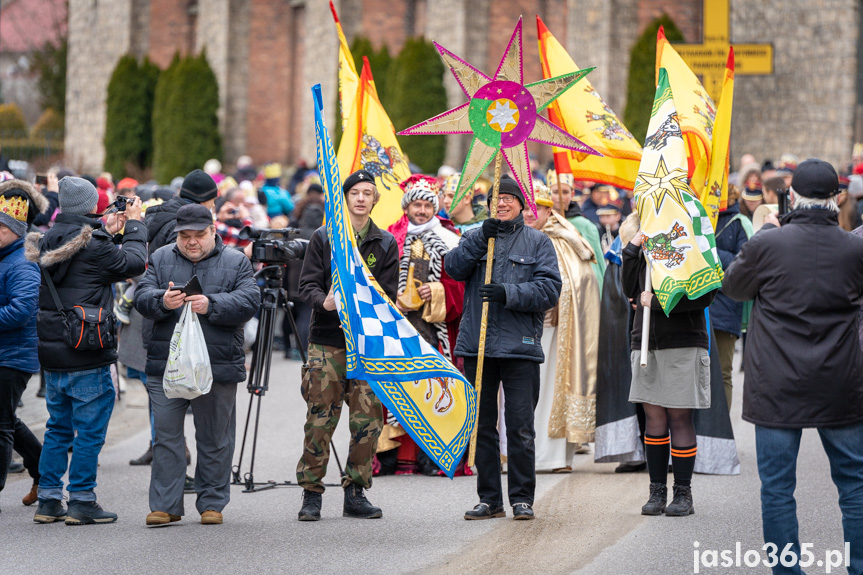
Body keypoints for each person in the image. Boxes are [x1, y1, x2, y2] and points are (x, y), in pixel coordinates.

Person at [723, 159, 863, 575]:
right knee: (855, 484)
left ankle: (787, 571)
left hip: (777, 383)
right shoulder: (854, 248)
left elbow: (734, 286)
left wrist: (766, 230)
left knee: (778, 489)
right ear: (836, 199)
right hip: (840, 380)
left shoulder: (769, 244)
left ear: (793, 197)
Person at [25, 176, 147, 525]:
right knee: (90, 431)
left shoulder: (49, 237)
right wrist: (135, 226)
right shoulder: (95, 245)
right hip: (87, 350)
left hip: (53, 352)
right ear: (93, 204)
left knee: (57, 428)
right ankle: (81, 499)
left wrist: (112, 230)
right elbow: (134, 264)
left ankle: (48, 500)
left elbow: (93, 262)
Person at [135, 203, 259, 526]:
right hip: (166, 365)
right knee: (165, 435)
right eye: (185, 236)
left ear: (213, 231)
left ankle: (212, 503)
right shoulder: (161, 257)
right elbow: (141, 296)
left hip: (217, 365)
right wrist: (161, 301)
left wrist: (212, 303)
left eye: (199, 235)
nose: (191, 242)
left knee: (215, 437)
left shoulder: (235, 261)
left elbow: (250, 300)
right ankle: (165, 505)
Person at [445, 175, 562, 521]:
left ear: (522, 204)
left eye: (510, 198)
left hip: (519, 346)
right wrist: (481, 237)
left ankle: (522, 497)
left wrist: (509, 294)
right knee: (482, 425)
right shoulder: (475, 237)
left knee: (520, 425)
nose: (503, 204)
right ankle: (490, 499)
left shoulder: (538, 242)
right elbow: (453, 267)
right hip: (477, 347)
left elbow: (549, 291)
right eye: (497, 198)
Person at [295, 169, 398, 521]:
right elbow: (305, 285)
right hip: (327, 342)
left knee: (368, 422)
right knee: (320, 420)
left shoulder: (384, 244)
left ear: (374, 200)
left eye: (367, 193)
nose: (360, 198)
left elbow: (389, 296)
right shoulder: (325, 238)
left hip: (368, 345)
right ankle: (311, 493)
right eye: (354, 192)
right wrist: (324, 302)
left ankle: (356, 490)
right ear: (345, 197)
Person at [621, 215, 716, 518]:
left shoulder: (695, 241)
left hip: (683, 340)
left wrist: (658, 302)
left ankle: (683, 492)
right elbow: (629, 288)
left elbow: (705, 295)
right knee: (654, 417)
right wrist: (633, 248)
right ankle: (656, 490)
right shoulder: (648, 238)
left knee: (679, 416)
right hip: (646, 339)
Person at [387, 174, 464, 476]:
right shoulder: (391, 238)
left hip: (433, 328)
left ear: (434, 208)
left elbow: (460, 285)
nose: (421, 210)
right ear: (407, 207)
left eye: (426, 205)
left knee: (432, 389)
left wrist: (438, 292)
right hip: (397, 325)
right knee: (398, 387)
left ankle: (431, 455)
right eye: (416, 204)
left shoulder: (450, 239)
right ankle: (394, 454)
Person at [522, 182, 599, 471]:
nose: (530, 213)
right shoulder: (515, 235)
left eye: (536, 208)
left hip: (556, 331)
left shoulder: (564, 237)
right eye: (526, 207)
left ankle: (553, 457)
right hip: (519, 327)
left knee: (550, 389)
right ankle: (514, 454)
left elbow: (582, 280)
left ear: (547, 208)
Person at [0, 179, 47, 512]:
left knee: (1, 424)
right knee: (5, 419)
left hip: (14, 356)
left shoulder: (23, 262)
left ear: (16, 230)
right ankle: (43, 471)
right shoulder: (5, 255)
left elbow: (20, 310)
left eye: (1, 227)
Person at [708, 186, 751, 411]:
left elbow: (744, 264)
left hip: (725, 306)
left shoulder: (738, 222)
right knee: (697, 374)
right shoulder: (695, 216)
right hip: (696, 307)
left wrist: (712, 252)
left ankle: (721, 436)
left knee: (723, 372)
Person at [548, 169, 605, 289]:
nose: (560, 197)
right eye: (555, 192)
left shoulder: (586, 226)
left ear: (572, 195)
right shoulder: (542, 223)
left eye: (564, 192)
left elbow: (597, 266)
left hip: (581, 287)